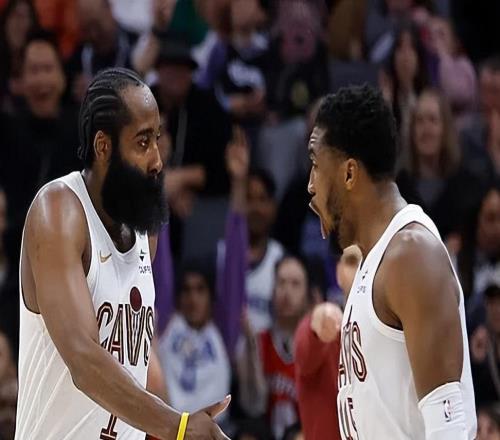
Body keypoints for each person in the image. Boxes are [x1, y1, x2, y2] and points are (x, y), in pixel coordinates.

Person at [15, 67, 230, 439]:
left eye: (158, 139)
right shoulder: (59, 211)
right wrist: (178, 427)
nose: (157, 160)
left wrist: (178, 423)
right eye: (143, 142)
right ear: (103, 146)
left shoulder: (145, 231)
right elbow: (83, 358)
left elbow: (136, 367)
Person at [307, 84, 476, 439]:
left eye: (316, 166)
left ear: (349, 174)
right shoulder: (375, 260)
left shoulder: (412, 255)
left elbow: (449, 430)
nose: (310, 185)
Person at [237, 255, 310, 440]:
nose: (287, 291)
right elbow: (252, 406)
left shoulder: (316, 347)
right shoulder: (259, 341)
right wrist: (252, 352)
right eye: (281, 282)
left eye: (295, 284)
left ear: (308, 295)